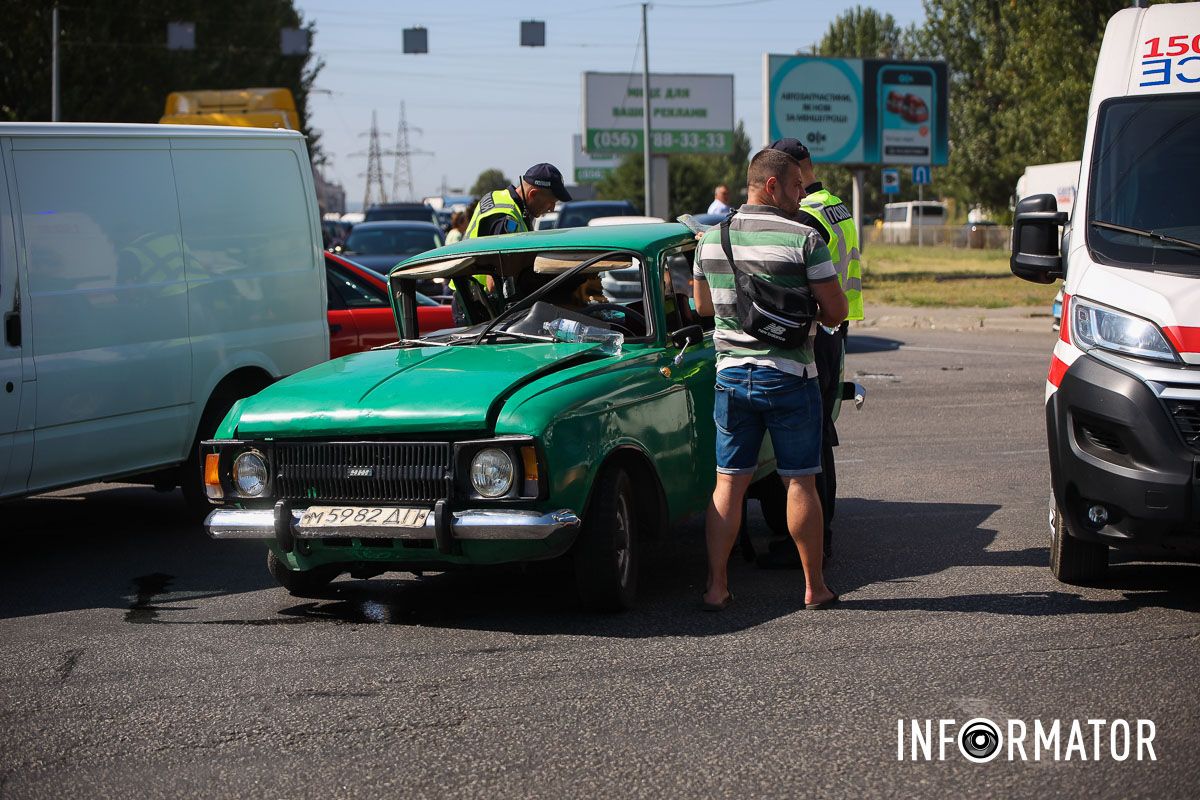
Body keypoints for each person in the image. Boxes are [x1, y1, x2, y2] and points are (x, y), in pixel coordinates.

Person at [693, 148, 848, 611]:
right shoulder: (804, 238)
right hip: (789, 377)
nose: (804, 195)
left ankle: (717, 586)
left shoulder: (709, 240)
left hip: (731, 379)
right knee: (799, 483)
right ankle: (814, 587)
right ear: (772, 186)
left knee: (728, 484)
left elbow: (703, 308)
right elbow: (837, 311)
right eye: (798, 187)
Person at [756, 138, 863, 566]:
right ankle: (818, 533)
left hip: (817, 331)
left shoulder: (807, 216)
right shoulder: (837, 204)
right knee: (817, 434)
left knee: (808, 438)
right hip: (837, 328)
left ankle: (816, 539)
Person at [452, 164, 571, 323]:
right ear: (533, 194)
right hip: (477, 304)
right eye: (551, 202)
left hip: (474, 297)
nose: (552, 209)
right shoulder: (506, 216)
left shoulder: (502, 199)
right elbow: (495, 281)